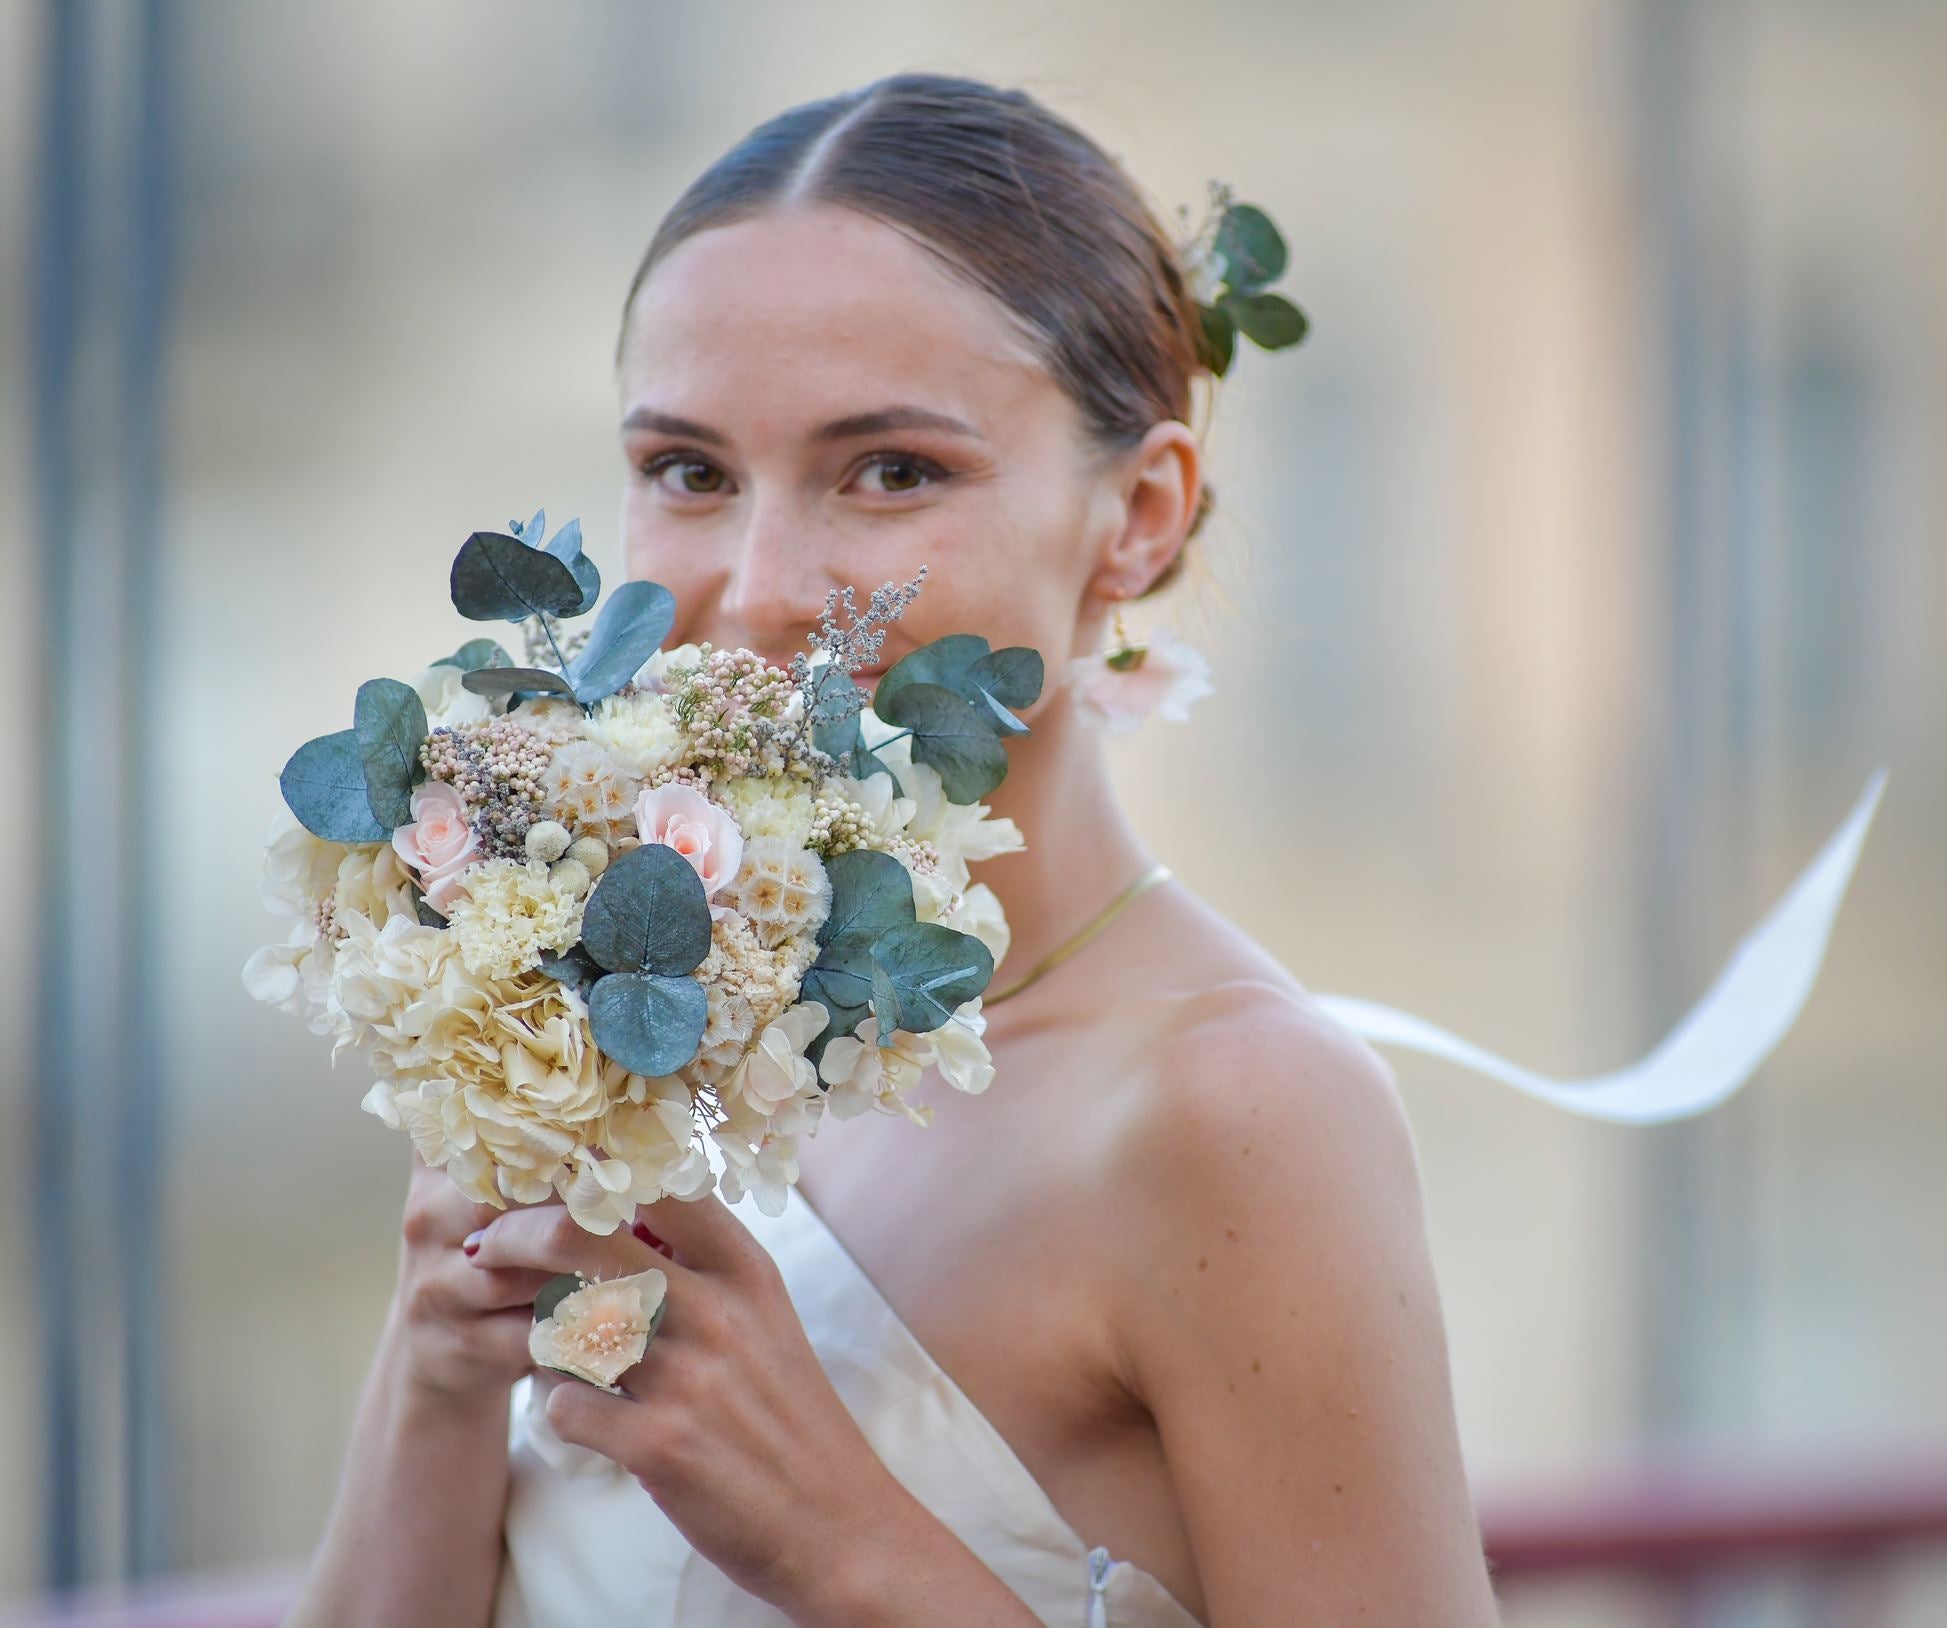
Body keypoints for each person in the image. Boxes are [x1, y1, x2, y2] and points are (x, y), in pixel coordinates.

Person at [281, 70, 1503, 1627]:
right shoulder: (608, 1019)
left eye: (894, 470)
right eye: (690, 473)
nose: (764, 585)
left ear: (1138, 516)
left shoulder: (1240, 1111)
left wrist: (841, 1544)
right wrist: (439, 1377)